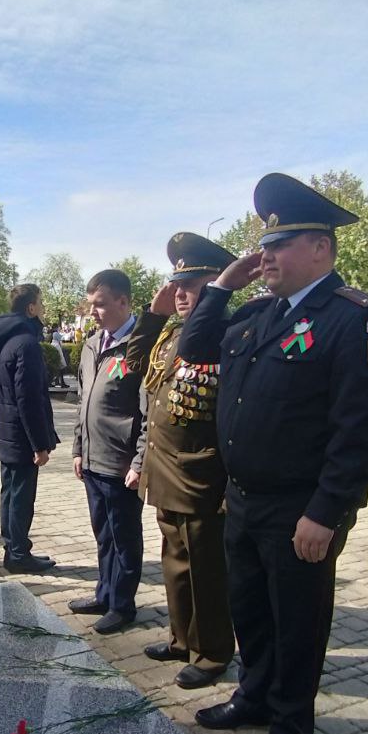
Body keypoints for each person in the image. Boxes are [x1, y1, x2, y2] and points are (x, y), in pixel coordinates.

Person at [181, 173, 368, 734]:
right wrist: (224, 283)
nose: (265, 255)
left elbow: (362, 432)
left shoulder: (358, 320)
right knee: (249, 611)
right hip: (244, 499)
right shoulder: (257, 313)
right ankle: (253, 697)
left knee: (297, 624)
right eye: (264, 244)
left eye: (280, 244)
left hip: (299, 508)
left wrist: (327, 511)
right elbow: (194, 349)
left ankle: (289, 727)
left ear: (321, 249)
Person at [126, 235, 238, 688]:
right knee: (174, 558)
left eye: (192, 284)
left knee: (206, 567)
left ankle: (211, 652)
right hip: (166, 467)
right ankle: (180, 637)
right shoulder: (171, 332)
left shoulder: (226, 332)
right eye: (177, 285)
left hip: (200, 471)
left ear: (217, 284)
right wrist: (154, 314)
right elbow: (136, 363)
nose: (181, 293)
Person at [71, 269, 147, 635]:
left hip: (122, 463)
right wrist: (77, 449)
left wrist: (140, 460)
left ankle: (122, 605)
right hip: (93, 458)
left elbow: (149, 411)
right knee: (103, 533)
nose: (94, 313)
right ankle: (104, 593)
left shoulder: (140, 345)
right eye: (91, 307)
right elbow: (83, 402)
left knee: (124, 537)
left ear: (123, 301)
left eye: (100, 306)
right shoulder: (90, 345)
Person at [0, 283, 59, 573]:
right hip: (22, 434)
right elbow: (29, 399)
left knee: (10, 493)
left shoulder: (3, 339)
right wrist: (40, 444)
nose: (44, 307)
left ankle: (12, 549)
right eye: (42, 302)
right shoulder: (25, 343)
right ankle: (18, 555)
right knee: (21, 498)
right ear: (31, 308)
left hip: (7, 430)